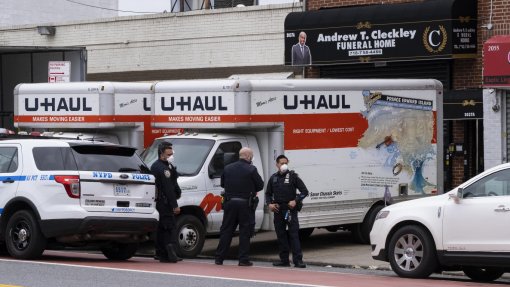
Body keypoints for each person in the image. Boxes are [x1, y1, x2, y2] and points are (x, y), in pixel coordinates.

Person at [215, 147, 264, 266]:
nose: (251, 158)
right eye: (251, 156)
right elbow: (260, 185)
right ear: (248, 156)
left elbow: (222, 184)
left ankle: (219, 258)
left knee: (226, 230)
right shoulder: (251, 169)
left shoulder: (227, 168)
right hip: (245, 204)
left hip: (229, 203)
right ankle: (243, 259)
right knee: (245, 231)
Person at [265, 155, 309, 268]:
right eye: (282, 163)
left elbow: (304, 191)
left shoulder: (293, 176)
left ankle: (298, 260)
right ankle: (284, 260)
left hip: (290, 210)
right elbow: (268, 194)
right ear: (277, 165)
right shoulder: (273, 178)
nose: (284, 165)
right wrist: (269, 204)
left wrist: (296, 200)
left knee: (294, 235)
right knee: (281, 235)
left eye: (286, 163)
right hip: (278, 210)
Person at [151, 142, 182, 263]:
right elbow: (168, 189)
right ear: (162, 153)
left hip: (163, 202)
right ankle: (169, 253)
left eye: (172, 153)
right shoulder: (161, 168)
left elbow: (174, 181)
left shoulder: (167, 165)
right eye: (169, 154)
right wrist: (175, 205)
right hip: (164, 202)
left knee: (163, 228)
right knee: (169, 228)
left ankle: (161, 253)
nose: (171, 156)